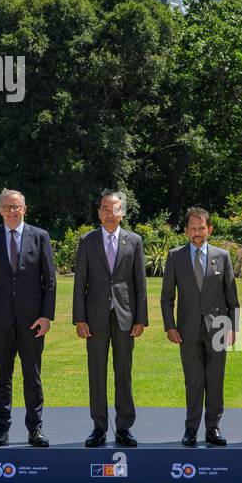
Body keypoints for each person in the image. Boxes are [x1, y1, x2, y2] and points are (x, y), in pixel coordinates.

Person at [0, 189, 56, 448]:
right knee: (2, 376)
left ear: (25, 208)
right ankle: (2, 429)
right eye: (7, 206)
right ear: (0, 210)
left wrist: (46, 316)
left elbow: (50, 281)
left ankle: (35, 428)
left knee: (32, 377)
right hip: (0, 320)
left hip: (32, 321)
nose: (12, 211)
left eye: (16, 206)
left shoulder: (40, 236)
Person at [73, 191, 148, 447]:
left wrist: (141, 318)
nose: (109, 213)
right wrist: (79, 319)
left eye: (114, 208)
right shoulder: (87, 241)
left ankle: (124, 427)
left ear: (122, 212)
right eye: (104, 208)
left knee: (123, 372)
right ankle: (99, 426)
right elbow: (79, 283)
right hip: (94, 319)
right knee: (97, 373)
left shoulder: (134, 241)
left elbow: (140, 283)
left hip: (126, 317)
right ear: (99, 213)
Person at [161, 208, 238, 447]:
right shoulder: (175, 257)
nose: (197, 232)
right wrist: (170, 327)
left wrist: (233, 327)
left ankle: (213, 429)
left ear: (209, 229)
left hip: (218, 329)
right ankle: (191, 429)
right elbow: (166, 297)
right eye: (193, 228)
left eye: (201, 228)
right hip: (187, 329)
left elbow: (231, 296)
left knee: (215, 380)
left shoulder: (222, 256)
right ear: (186, 231)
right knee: (193, 381)